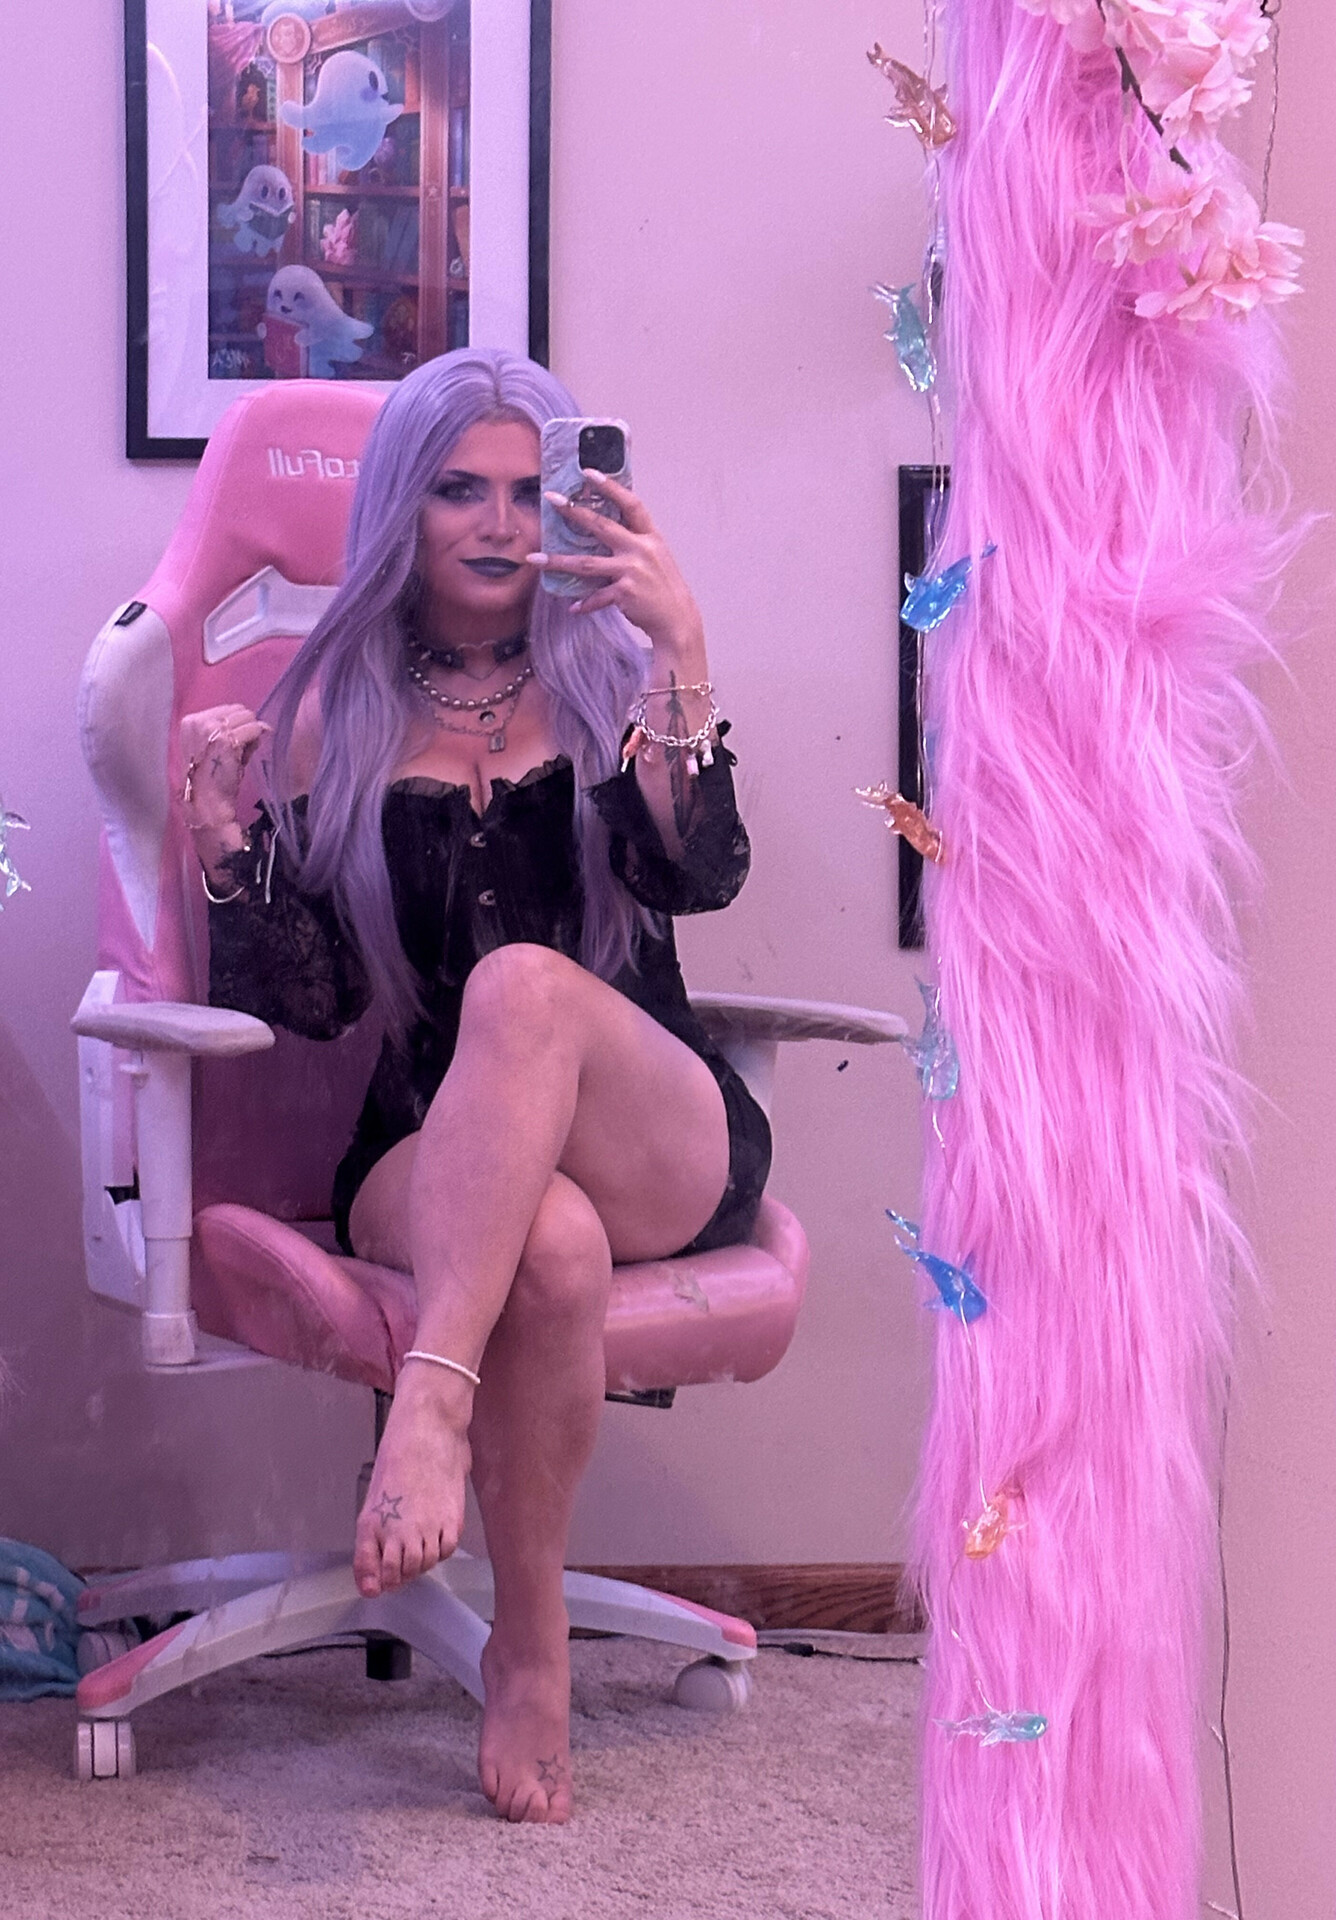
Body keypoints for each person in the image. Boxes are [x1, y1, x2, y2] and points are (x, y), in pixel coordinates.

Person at [177, 349, 770, 1824]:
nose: (500, 524)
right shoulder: (339, 716)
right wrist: (226, 851)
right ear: (405, 506)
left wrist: (682, 643)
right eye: (459, 490)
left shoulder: (618, 681)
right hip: (433, 1139)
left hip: (650, 1125)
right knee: (544, 1242)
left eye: (525, 491)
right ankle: (532, 1646)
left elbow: (699, 876)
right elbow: (320, 1003)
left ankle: (426, 1412)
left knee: (522, 988)